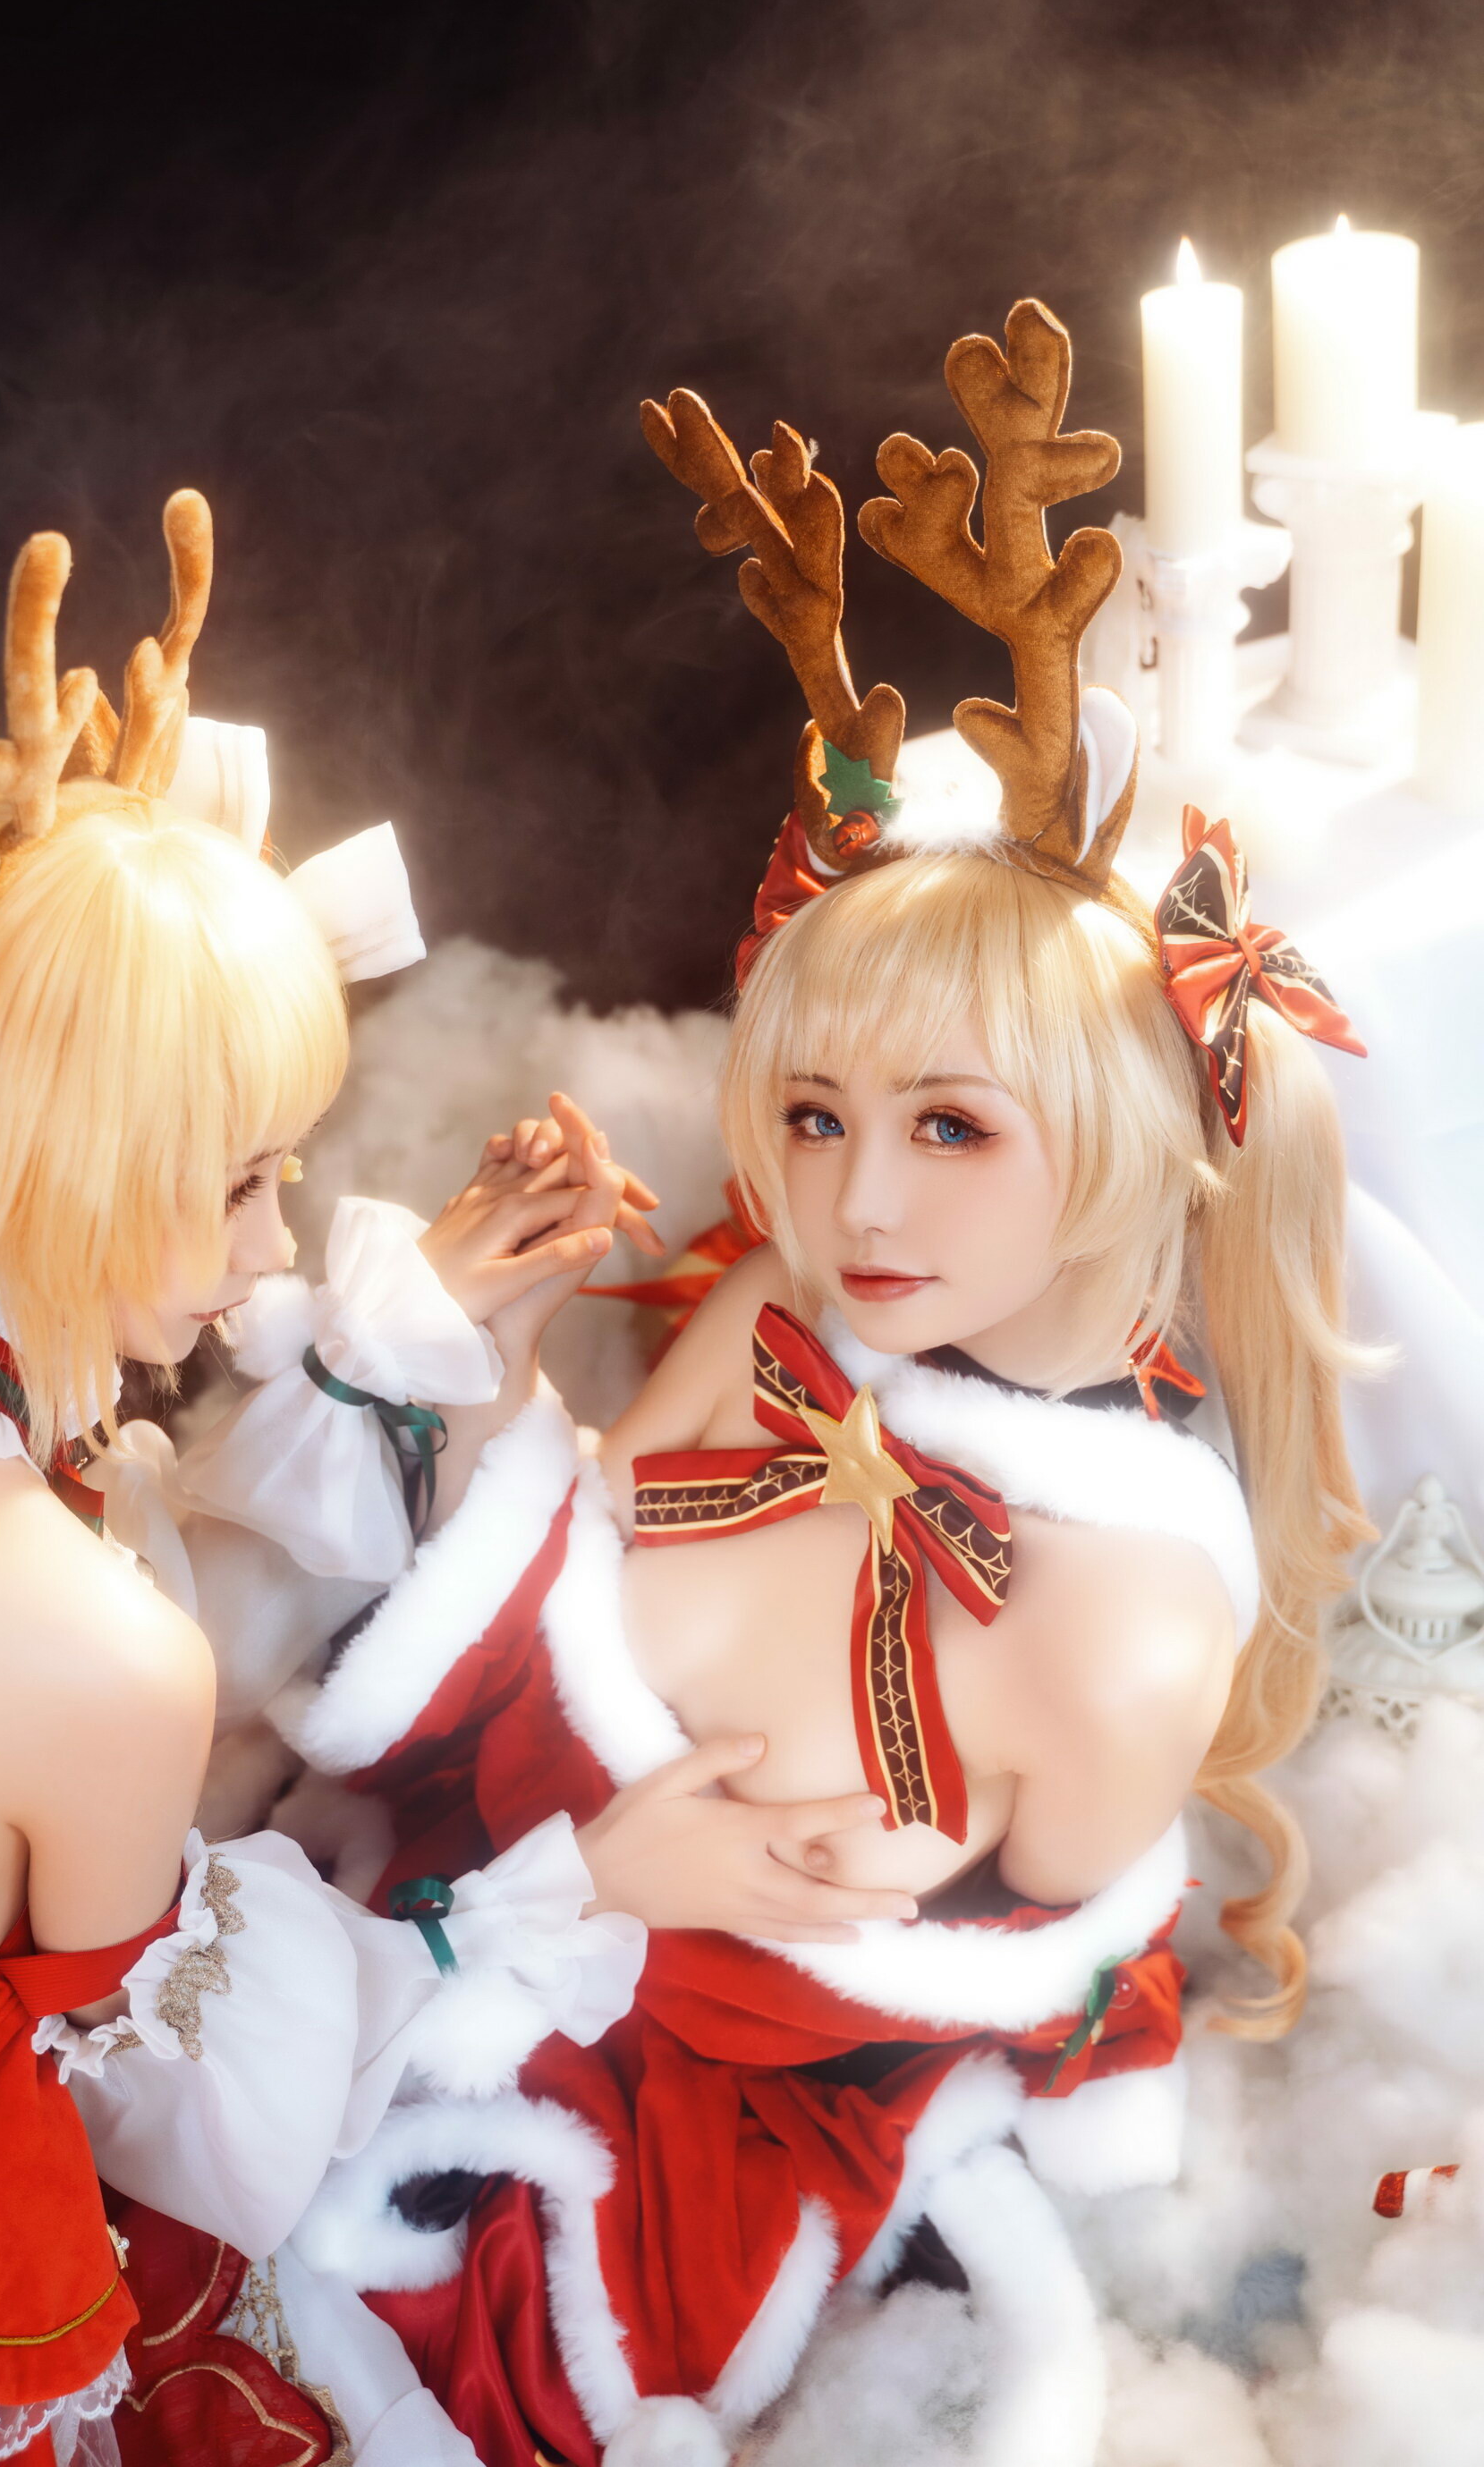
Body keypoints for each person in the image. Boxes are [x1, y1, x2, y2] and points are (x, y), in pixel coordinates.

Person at [257, 306, 1373, 2467]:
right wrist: (474, 1372)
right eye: (812, 1114)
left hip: (631, 2149)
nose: (851, 1202)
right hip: (404, 1906)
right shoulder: (790, 1298)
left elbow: (992, 2005)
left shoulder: (1116, 1635)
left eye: (951, 1126)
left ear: (1127, 1138)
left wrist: (581, 1903)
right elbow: (549, 1573)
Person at [0, 494, 899, 2467]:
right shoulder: (77, 1648)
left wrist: (389, 1354)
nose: (276, 1245)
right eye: (248, 1179)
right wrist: (571, 1891)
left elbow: (97, 1616)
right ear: (74, 1169)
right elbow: (216, 2132)